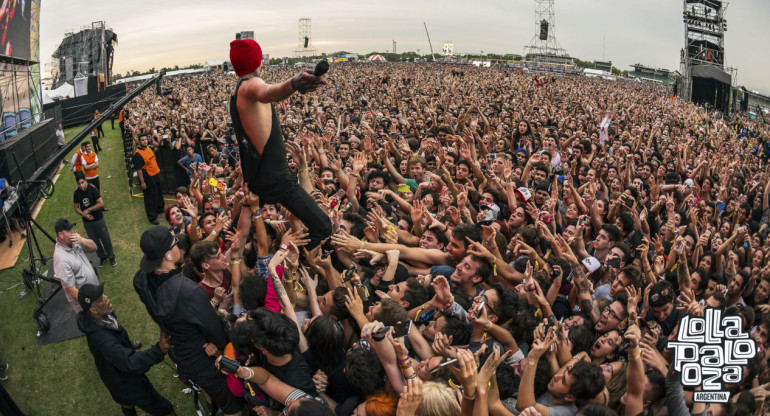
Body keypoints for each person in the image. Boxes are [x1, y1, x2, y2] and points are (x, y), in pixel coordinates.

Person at [228, 39, 331, 249]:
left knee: (245, 234)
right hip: (276, 180)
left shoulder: (237, 91)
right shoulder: (250, 85)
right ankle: (289, 259)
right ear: (258, 60)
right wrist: (293, 83)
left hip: (258, 178)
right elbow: (269, 92)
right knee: (323, 228)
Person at [133, 226, 244, 416]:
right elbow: (213, 329)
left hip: (180, 353)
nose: (179, 245)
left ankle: (210, 401)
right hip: (204, 357)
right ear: (168, 256)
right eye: (175, 243)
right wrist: (220, 349)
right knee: (233, 407)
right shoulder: (189, 291)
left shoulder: (140, 280)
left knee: (212, 392)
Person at [76, 283, 176, 416]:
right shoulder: (103, 341)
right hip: (127, 383)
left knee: (126, 402)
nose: (106, 298)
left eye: (103, 295)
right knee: (164, 409)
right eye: (100, 299)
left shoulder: (103, 316)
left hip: (115, 376)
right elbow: (131, 362)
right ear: (93, 310)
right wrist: (159, 349)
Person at [52, 218, 99, 312]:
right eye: (69, 231)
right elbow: (72, 290)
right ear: (61, 234)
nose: (73, 232)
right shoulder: (60, 259)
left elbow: (94, 248)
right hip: (86, 303)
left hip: (95, 293)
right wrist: (90, 304)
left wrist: (82, 240)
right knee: (97, 325)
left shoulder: (74, 242)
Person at [73, 172, 116, 267]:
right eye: (79, 183)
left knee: (105, 239)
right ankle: (102, 257)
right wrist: (84, 215)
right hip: (87, 222)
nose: (81, 185)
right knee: (94, 241)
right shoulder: (76, 193)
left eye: (82, 182)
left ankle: (111, 256)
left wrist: (88, 210)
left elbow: (100, 203)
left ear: (85, 181)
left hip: (98, 219)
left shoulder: (92, 188)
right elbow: (76, 207)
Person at [132, 134, 164, 225]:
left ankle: (160, 208)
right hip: (148, 177)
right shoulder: (137, 154)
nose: (145, 141)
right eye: (142, 140)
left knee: (158, 193)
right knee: (150, 198)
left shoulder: (148, 148)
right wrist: (142, 182)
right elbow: (139, 170)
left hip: (156, 174)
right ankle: (152, 217)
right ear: (139, 142)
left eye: (145, 139)